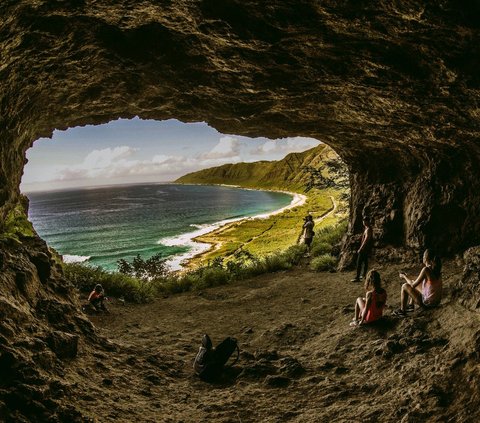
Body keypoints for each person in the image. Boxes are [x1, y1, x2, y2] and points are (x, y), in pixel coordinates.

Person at [393, 249, 442, 317]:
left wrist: (404, 277)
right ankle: (410, 305)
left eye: (424, 256)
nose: (423, 257)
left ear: (425, 258)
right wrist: (409, 276)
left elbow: (412, 285)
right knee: (415, 282)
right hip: (436, 303)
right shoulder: (436, 269)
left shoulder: (426, 269)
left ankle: (402, 311)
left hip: (428, 305)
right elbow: (419, 279)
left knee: (405, 286)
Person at [351, 218, 373, 282]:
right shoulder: (367, 228)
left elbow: (366, 239)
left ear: (368, 221)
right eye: (363, 221)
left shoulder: (368, 229)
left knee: (359, 262)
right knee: (365, 262)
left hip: (364, 248)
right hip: (366, 248)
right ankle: (363, 275)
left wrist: (361, 248)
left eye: (365, 221)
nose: (364, 222)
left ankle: (357, 277)